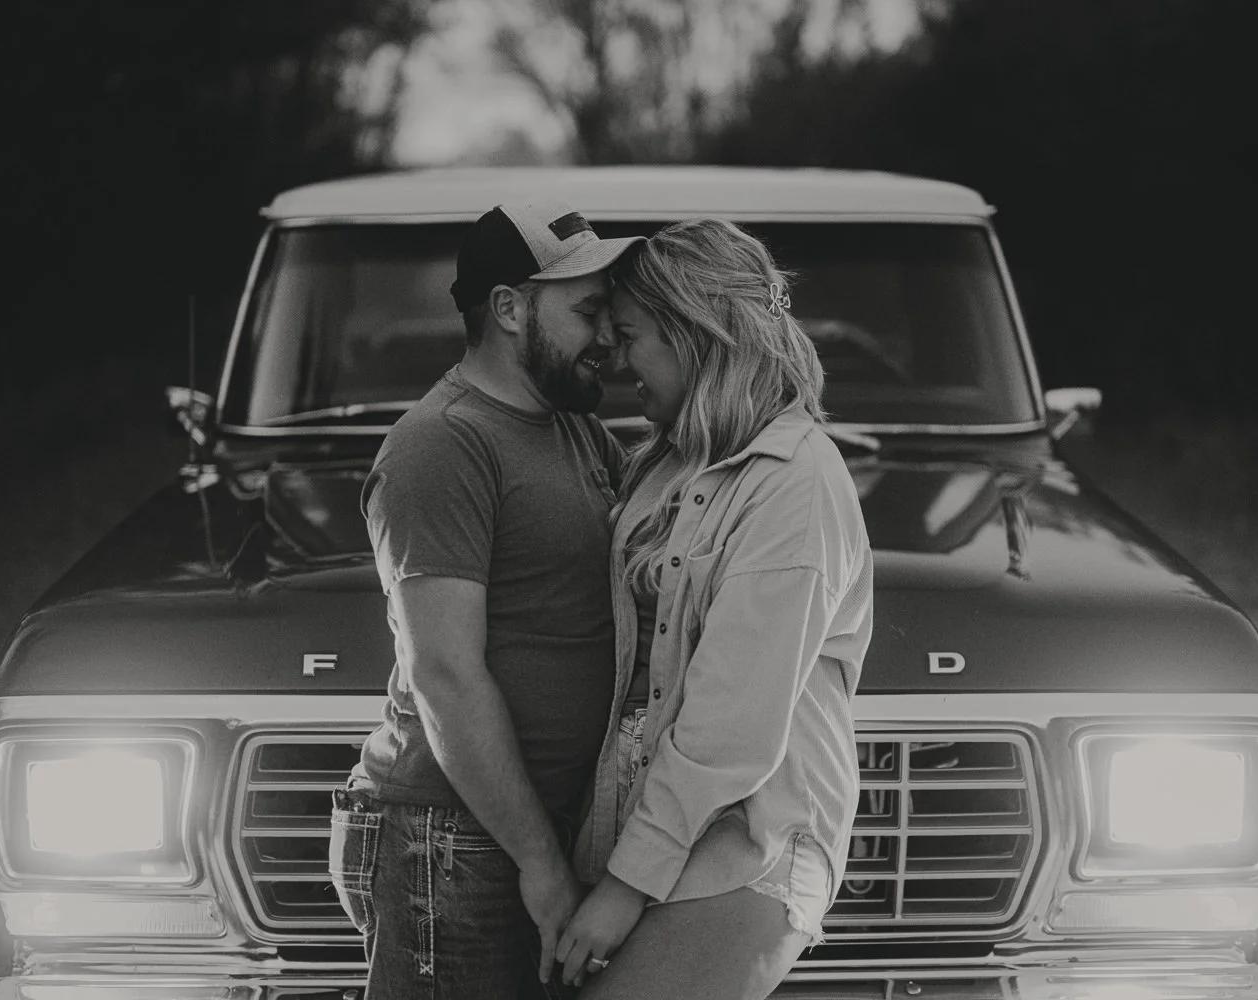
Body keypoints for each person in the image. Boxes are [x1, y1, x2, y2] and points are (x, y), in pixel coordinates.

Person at [329, 200, 643, 999]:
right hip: (452, 838)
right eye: (587, 313)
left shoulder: (575, 430)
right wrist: (540, 864)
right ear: (508, 307)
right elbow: (443, 672)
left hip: (529, 831)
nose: (608, 339)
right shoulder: (442, 443)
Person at [554, 219, 873, 998]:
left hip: (749, 838)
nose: (617, 358)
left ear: (696, 333)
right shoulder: (670, 461)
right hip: (658, 830)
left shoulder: (796, 483)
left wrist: (624, 887)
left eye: (631, 335)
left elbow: (732, 727)